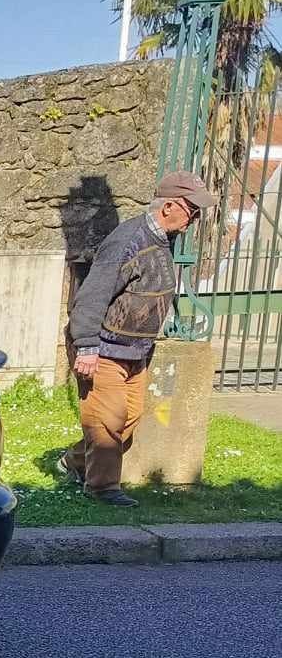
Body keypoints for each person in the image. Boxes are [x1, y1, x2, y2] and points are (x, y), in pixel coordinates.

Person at [61, 170, 213, 506]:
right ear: (169, 207)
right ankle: (102, 489)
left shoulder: (161, 241)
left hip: (134, 351)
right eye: (192, 210)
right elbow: (92, 296)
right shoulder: (127, 241)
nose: (195, 219)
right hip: (102, 347)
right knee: (107, 418)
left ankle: (73, 461)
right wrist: (86, 345)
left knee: (128, 418)